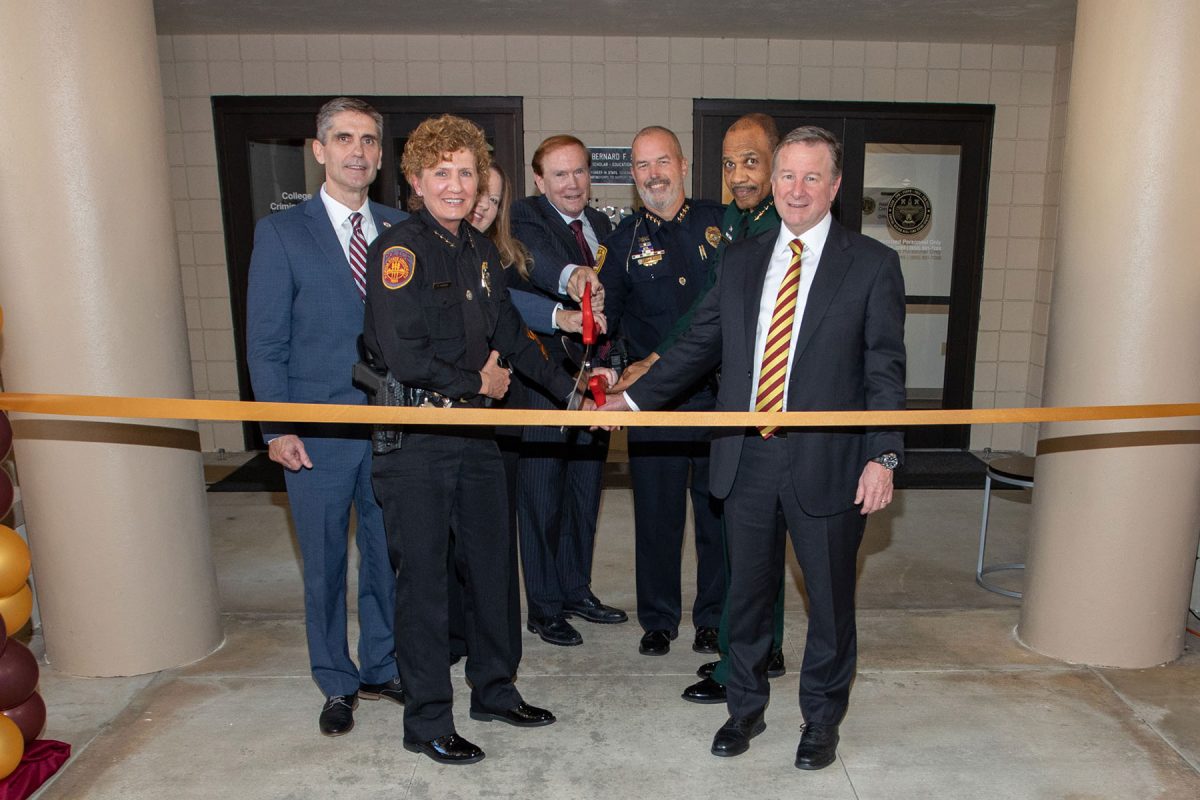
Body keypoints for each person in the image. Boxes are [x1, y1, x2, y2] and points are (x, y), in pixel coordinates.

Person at [602, 126, 906, 770]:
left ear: (836, 186)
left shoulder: (873, 264)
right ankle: (744, 709)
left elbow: (885, 370)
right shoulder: (743, 259)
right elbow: (695, 345)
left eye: (811, 177)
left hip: (830, 462)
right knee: (745, 595)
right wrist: (628, 403)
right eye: (787, 176)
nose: (797, 190)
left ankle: (821, 721)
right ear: (774, 182)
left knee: (827, 601)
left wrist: (884, 456)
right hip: (747, 455)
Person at [363, 114, 581, 766]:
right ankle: (427, 720)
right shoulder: (398, 251)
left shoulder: (482, 252)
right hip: (418, 440)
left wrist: (571, 391)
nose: (456, 186)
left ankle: (494, 688)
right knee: (425, 587)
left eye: (466, 172)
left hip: (476, 440)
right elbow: (404, 354)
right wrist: (477, 385)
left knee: (492, 572)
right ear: (416, 180)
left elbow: (513, 338)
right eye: (442, 173)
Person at [616, 113, 790, 704]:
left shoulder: (739, 224)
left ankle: (745, 641)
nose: (741, 174)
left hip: (736, 400)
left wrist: (652, 367)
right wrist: (634, 369)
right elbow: (708, 314)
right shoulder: (637, 237)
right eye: (732, 163)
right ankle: (695, 631)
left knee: (737, 524)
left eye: (752, 161)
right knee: (673, 520)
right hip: (668, 399)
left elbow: (710, 316)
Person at [245, 97, 405, 737]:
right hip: (313, 436)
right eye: (344, 138)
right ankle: (336, 682)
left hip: (392, 429)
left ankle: (381, 665)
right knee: (325, 566)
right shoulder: (281, 233)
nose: (358, 151)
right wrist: (277, 428)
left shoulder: (399, 229)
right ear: (320, 150)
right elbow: (266, 342)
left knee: (386, 558)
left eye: (368, 139)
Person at [600, 126, 726, 657]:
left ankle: (714, 618)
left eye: (662, 162)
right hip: (653, 402)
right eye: (642, 166)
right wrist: (609, 373)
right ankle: (658, 618)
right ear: (633, 176)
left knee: (716, 513)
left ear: (683, 165)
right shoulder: (623, 240)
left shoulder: (721, 224)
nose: (653, 174)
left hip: (719, 399)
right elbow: (609, 321)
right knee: (655, 513)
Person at [509, 135, 626, 647]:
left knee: (584, 492)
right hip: (542, 382)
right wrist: (573, 276)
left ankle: (577, 589)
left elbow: (613, 301)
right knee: (540, 496)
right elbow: (532, 263)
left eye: (579, 172)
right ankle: (545, 605)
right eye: (560, 174)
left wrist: (611, 365)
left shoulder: (599, 226)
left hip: (591, 381)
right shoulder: (522, 219)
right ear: (540, 181)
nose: (573, 183)